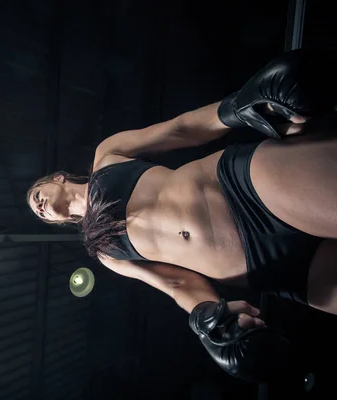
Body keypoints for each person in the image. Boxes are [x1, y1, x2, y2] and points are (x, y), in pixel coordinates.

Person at [26, 49, 337, 382]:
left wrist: (235, 107)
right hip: (270, 270)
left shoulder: (106, 155)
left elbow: (179, 129)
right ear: (56, 222)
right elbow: (176, 282)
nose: (40, 206)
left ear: (57, 178)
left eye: (37, 196)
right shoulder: (106, 254)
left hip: (245, 190)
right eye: (38, 212)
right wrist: (205, 317)